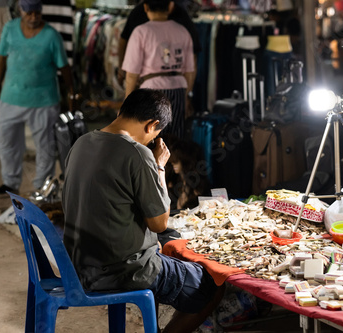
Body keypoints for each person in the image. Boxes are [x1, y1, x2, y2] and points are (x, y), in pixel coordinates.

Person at [62, 89, 224, 333]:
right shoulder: (138, 153)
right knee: (214, 283)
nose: (152, 141)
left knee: (165, 245)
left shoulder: (82, 142)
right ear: (152, 125)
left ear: (121, 112)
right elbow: (158, 223)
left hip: (78, 265)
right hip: (120, 272)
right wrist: (159, 167)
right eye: (155, 135)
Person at [0, 0, 74, 194]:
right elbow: (1, 58)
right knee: (7, 143)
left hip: (43, 101)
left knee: (45, 146)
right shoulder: (10, 28)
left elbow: (64, 68)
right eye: (29, 13)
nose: (33, 16)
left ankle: (42, 186)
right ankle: (10, 182)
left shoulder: (51, 35)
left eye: (37, 12)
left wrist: (71, 93)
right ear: (21, 10)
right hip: (10, 97)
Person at [122, 0, 195, 139]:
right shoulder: (182, 31)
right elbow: (190, 71)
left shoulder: (141, 32)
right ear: (170, 6)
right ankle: (174, 162)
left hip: (151, 92)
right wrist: (186, 96)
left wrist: (127, 105)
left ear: (145, 7)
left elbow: (132, 74)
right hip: (178, 89)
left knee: (152, 139)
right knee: (176, 139)